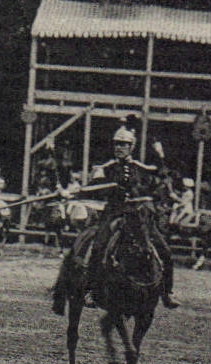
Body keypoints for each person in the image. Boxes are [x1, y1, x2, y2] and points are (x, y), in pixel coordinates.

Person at [73, 122, 178, 309]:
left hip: (139, 219)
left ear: (131, 147)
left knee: (166, 253)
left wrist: (161, 156)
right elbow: (91, 190)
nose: (119, 148)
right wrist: (74, 192)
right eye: (116, 144)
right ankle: (90, 290)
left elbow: (162, 176)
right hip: (114, 216)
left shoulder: (140, 168)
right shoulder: (106, 169)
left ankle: (166, 292)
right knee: (98, 247)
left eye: (123, 144)